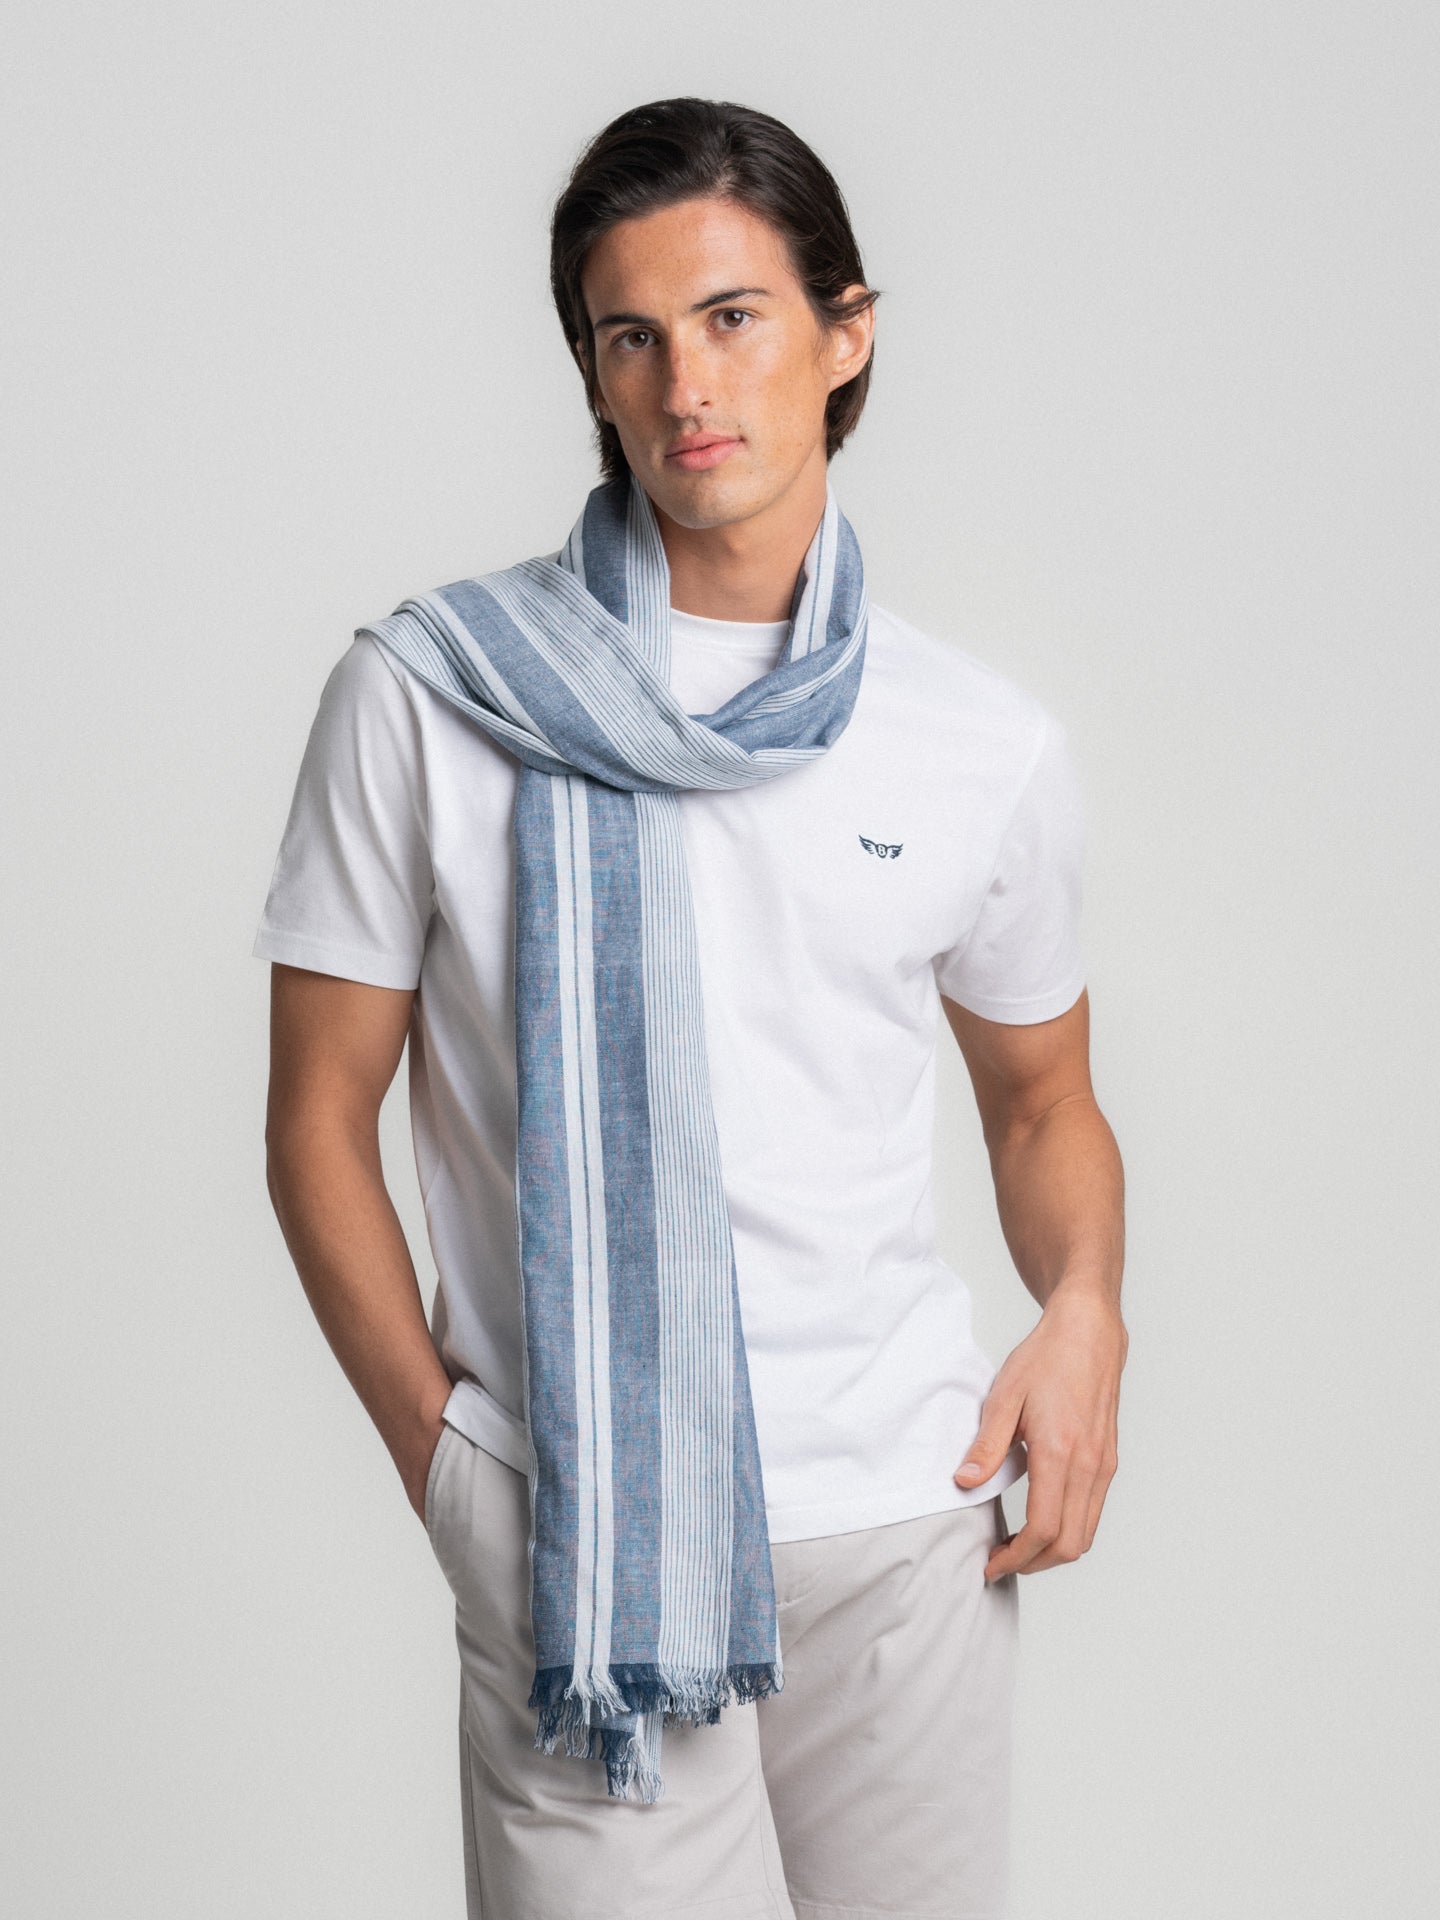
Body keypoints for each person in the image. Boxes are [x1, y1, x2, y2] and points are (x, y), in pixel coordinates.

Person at [254, 95, 1127, 1920]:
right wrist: (449, 1466)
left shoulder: (977, 742)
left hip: (904, 1528)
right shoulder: (429, 694)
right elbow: (318, 1118)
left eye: (732, 317)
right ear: (592, 371)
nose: (684, 385)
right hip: (585, 1541)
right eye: (629, 337)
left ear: (845, 332)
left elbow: (1043, 1101)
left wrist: (1084, 1312)